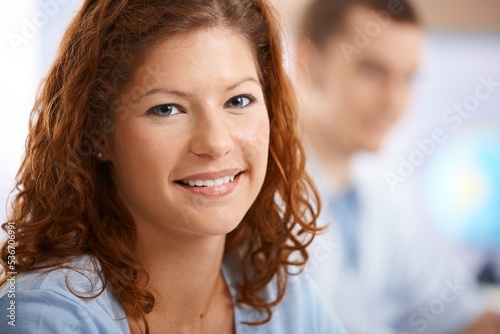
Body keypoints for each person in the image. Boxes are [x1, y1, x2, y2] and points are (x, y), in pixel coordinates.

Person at [0, 0, 347, 333]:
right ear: (97, 133)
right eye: (167, 109)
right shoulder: (47, 318)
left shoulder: (285, 299)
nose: (216, 143)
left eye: (238, 100)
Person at [294, 0, 500, 333]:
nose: (393, 100)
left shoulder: (374, 204)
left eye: (407, 78)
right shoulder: (259, 198)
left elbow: (464, 314)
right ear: (307, 62)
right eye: (373, 71)